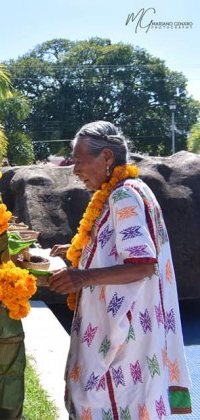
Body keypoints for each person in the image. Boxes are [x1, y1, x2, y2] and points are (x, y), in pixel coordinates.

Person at [49, 121, 192, 419]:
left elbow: (142, 265)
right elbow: (117, 246)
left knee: (102, 397)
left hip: (124, 328)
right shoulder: (131, 189)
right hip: (133, 323)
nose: (74, 170)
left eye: (78, 160)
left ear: (107, 158)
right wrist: (79, 251)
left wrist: (81, 277)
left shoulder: (122, 195)